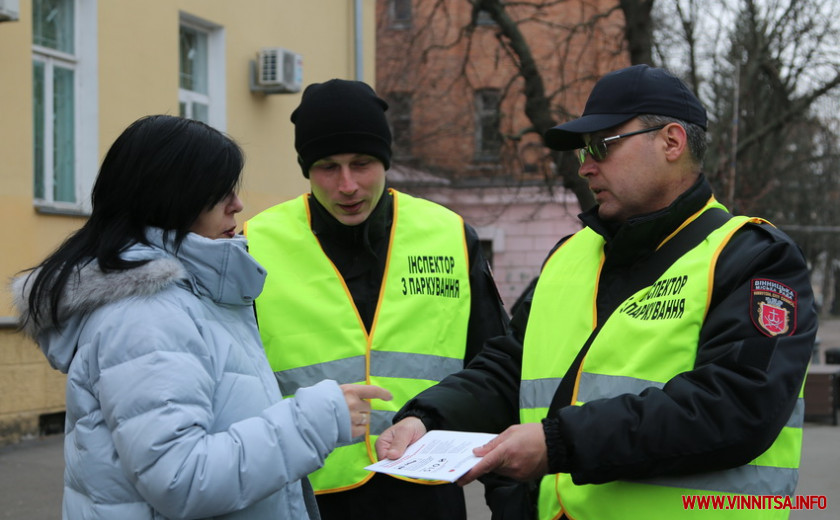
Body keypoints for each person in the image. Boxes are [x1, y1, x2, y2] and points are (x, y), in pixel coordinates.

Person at [376, 64, 817, 520]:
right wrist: (429, 418)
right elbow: (511, 365)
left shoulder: (752, 257)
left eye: (602, 146)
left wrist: (557, 443)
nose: (585, 167)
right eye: (584, 151)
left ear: (671, 141)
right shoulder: (572, 255)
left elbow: (736, 406)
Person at [12, 114, 391, 520]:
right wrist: (313, 421)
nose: (237, 204)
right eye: (220, 191)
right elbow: (181, 479)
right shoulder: (146, 315)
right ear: (172, 197)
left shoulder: (190, 295)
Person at [243, 79, 513, 520]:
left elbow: (493, 366)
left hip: (427, 490)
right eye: (328, 166)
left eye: (362, 163)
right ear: (307, 170)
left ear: (386, 160)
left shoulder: (448, 234)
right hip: (306, 491)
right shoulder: (256, 244)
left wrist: (508, 496)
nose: (347, 185)